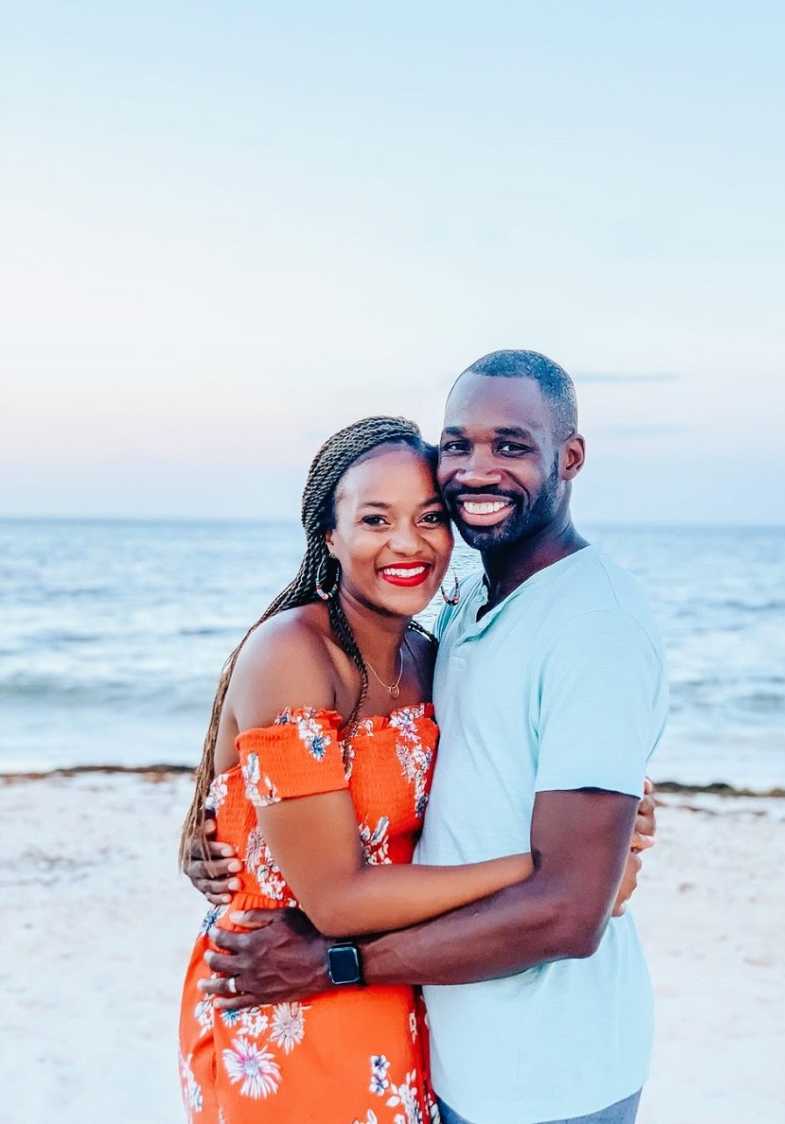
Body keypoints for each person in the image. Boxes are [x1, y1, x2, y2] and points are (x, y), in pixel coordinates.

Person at [189, 351, 666, 1123]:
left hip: (543, 1066)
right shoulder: (462, 613)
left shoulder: (584, 627)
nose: (477, 471)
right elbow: (254, 776)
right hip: (361, 1010)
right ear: (330, 533)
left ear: (569, 456)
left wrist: (592, 867)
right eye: (460, 446)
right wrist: (202, 838)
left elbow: (569, 911)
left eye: (511, 445)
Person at [178, 416, 538, 1122]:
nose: (408, 543)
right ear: (330, 536)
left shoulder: (431, 657)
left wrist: (617, 812)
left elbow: (509, 770)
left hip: (397, 983)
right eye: (376, 518)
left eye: (430, 518)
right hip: (282, 995)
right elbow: (335, 901)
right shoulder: (294, 655)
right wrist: (549, 873)